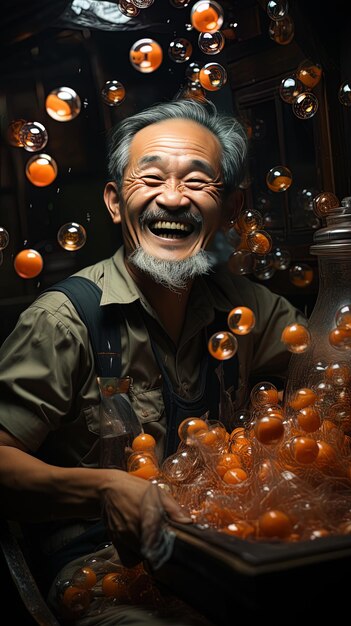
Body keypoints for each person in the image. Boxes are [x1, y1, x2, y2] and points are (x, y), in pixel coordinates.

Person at [0, 98, 305, 625]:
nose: (172, 199)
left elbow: (325, 363)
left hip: (222, 556)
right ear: (116, 203)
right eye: (151, 179)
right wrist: (104, 488)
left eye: (196, 182)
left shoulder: (248, 307)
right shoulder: (65, 319)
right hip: (102, 571)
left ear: (230, 209)